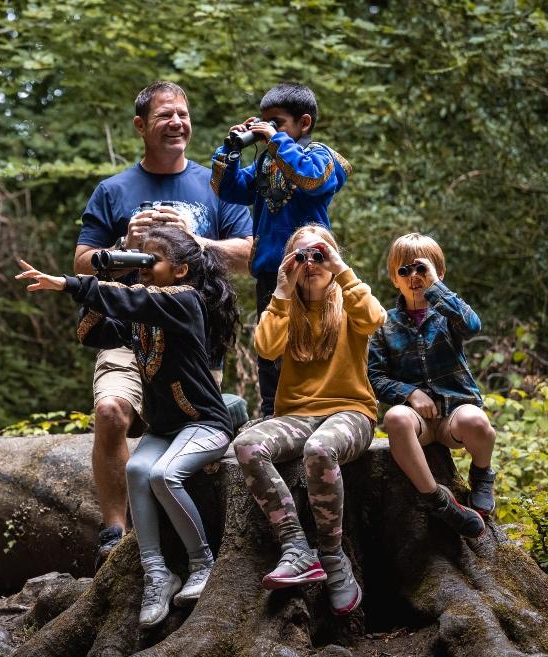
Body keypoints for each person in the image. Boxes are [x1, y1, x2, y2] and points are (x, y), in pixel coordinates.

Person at [18, 225, 240, 628]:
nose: (142, 266)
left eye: (150, 259)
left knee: (163, 474)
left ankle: (201, 563)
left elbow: (135, 300)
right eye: (140, 257)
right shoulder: (142, 317)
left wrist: (72, 283)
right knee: (137, 470)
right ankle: (158, 573)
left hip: (203, 422)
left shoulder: (185, 301)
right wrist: (107, 275)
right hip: (165, 428)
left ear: (181, 271)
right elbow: (90, 333)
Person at [73, 80, 252, 566]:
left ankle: (187, 547)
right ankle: (115, 535)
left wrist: (196, 240)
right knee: (111, 411)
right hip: (129, 330)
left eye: (182, 114)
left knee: (186, 433)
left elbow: (250, 253)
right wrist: (121, 249)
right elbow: (83, 261)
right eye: (163, 116)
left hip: (192, 338)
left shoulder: (215, 186)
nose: (176, 122)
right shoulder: (113, 191)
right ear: (140, 126)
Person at [232, 224, 385, 616]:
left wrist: (343, 270)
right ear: (289, 264)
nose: (311, 263)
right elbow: (265, 348)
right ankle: (297, 547)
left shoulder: (349, 299)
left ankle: (333, 558)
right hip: (297, 414)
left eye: (319, 254)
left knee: (320, 450)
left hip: (350, 411)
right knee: (247, 444)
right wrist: (283, 290)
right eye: (301, 257)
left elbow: (374, 319)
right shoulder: (285, 305)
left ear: (334, 258)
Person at [210, 82, 351, 417]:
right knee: (271, 345)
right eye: (264, 122)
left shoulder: (321, 155)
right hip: (272, 270)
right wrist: (230, 149)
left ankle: (324, 406)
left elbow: (313, 180)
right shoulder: (265, 164)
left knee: (317, 338)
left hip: (314, 269)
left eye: (277, 122)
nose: (267, 129)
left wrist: (275, 141)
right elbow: (226, 189)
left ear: (304, 122)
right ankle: (273, 410)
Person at [367, 233, 497, 540]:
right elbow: (376, 377)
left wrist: (436, 287)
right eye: (404, 271)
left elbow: (472, 325)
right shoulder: (384, 325)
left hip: (455, 415)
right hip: (420, 423)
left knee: (477, 421)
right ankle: (437, 500)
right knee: (396, 418)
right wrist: (410, 393)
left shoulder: (448, 313)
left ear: (438, 273)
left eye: (421, 270)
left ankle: (482, 474)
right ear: (393, 278)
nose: (413, 277)